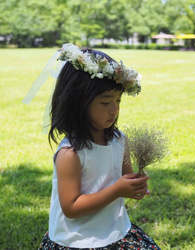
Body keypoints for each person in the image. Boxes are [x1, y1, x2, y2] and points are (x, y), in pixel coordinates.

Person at [39, 43, 161, 250]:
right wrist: (117, 190)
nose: (114, 110)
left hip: (115, 230)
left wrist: (135, 186)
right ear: (78, 102)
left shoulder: (120, 140)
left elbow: (124, 180)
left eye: (118, 100)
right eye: (105, 103)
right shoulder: (71, 153)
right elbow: (71, 207)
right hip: (78, 240)